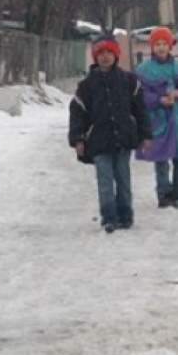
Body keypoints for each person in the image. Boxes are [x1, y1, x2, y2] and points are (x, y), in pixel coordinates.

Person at [69, 36, 152, 233]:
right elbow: (77, 114)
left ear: (116, 55)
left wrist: (145, 134)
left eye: (109, 53)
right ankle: (109, 216)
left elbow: (140, 110)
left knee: (123, 179)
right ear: (95, 57)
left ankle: (125, 214)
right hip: (98, 141)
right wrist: (78, 138)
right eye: (101, 54)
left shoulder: (129, 81)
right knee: (105, 181)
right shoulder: (87, 86)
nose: (105, 57)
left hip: (123, 138)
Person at [135, 27, 178, 208]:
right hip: (159, 119)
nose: (161, 47)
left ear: (170, 46)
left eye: (164, 43)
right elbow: (141, 95)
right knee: (161, 158)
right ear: (152, 47)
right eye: (157, 44)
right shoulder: (144, 71)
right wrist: (158, 100)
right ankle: (164, 193)